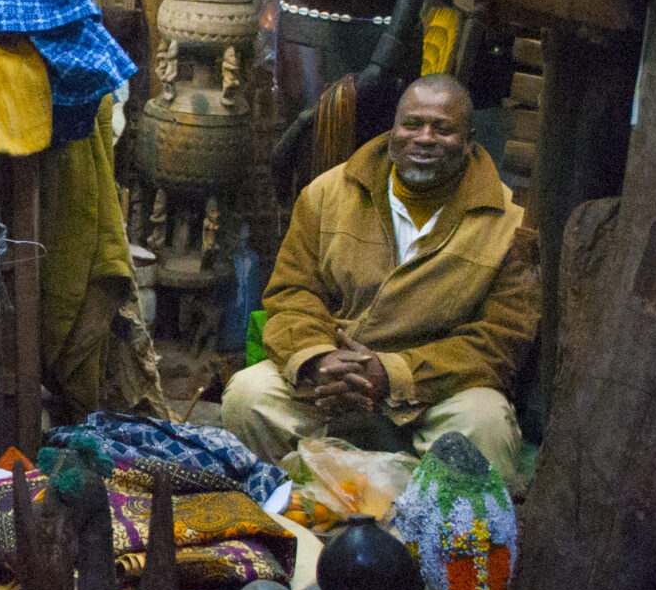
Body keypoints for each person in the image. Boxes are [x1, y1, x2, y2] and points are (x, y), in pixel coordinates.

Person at [222, 74, 536, 483]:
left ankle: (430, 523)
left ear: (469, 140)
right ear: (393, 130)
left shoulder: (508, 224)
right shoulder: (328, 193)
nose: (424, 138)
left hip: (432, 390)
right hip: (333, 374)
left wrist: (391, 373)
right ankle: (279, 511)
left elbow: (500, 340)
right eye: (412, 125)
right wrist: (319, 359)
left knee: (485, 424)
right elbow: (292, 293)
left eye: (442, 129)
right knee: (249, 396)